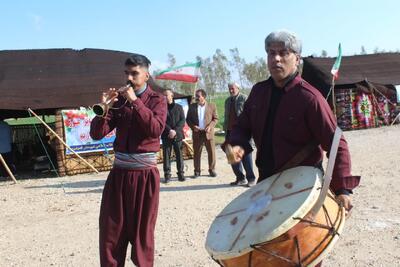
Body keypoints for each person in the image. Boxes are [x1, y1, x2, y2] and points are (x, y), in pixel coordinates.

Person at [227, 31, 360, 262]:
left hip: (304, 192)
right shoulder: (258, 92)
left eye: (283, 53)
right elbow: (242, 126)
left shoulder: (310, 97)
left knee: (303, 255)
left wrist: (342, 189)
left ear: (297, 58)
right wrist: (237, 145)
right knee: (269, 253)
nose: (276, 59)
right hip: (267, 187)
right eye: (271, 53)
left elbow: (337, 143)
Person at [90, 53, 167, 267]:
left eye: (135, 73)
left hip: (145, 177)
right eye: (127, 73)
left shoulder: (157, 100)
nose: (129, 78)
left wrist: (135, 102)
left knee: (142, 233)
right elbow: (97, 133)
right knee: (111, 232)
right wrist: (104, 109)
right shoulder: (119, 102)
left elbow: (155, 129)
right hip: (119, 175)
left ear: (146, 74)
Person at [223, 82, 256, 187]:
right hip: (230, 132)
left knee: (245, 156)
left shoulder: (244, 98)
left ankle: (251, 178)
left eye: (232, 88)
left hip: (242, 131)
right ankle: (240, 178)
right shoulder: (227, 101)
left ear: (238, 88)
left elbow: (251, 114)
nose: (231, 90)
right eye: (229, 89)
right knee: (232, 157)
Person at [186, 89, 218, 178]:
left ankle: (212, 170)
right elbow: (188, 119)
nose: (196, 97)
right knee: (196, 153)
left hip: (208, 133)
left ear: (203, 97)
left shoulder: (212, 106)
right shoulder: (192, 106)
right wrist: (193, 127)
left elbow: (215, 119)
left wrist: (210, 126)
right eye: (196, 96)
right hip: (197, 133)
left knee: (211, 152)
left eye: (198, 96)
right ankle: (197, 171)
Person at [161, 89, 186, 183]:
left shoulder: (179, 107)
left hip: (178, 135)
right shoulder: (161, 108)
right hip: (166, 135)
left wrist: (175, 131)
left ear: (172, 95)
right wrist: (170, 130)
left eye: (166, 95)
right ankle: (167, 175)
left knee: (179, 155)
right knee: (166, 156)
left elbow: (182, 120)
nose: (164, 97)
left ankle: (181, 173)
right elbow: (161, 121)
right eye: (163, 95)